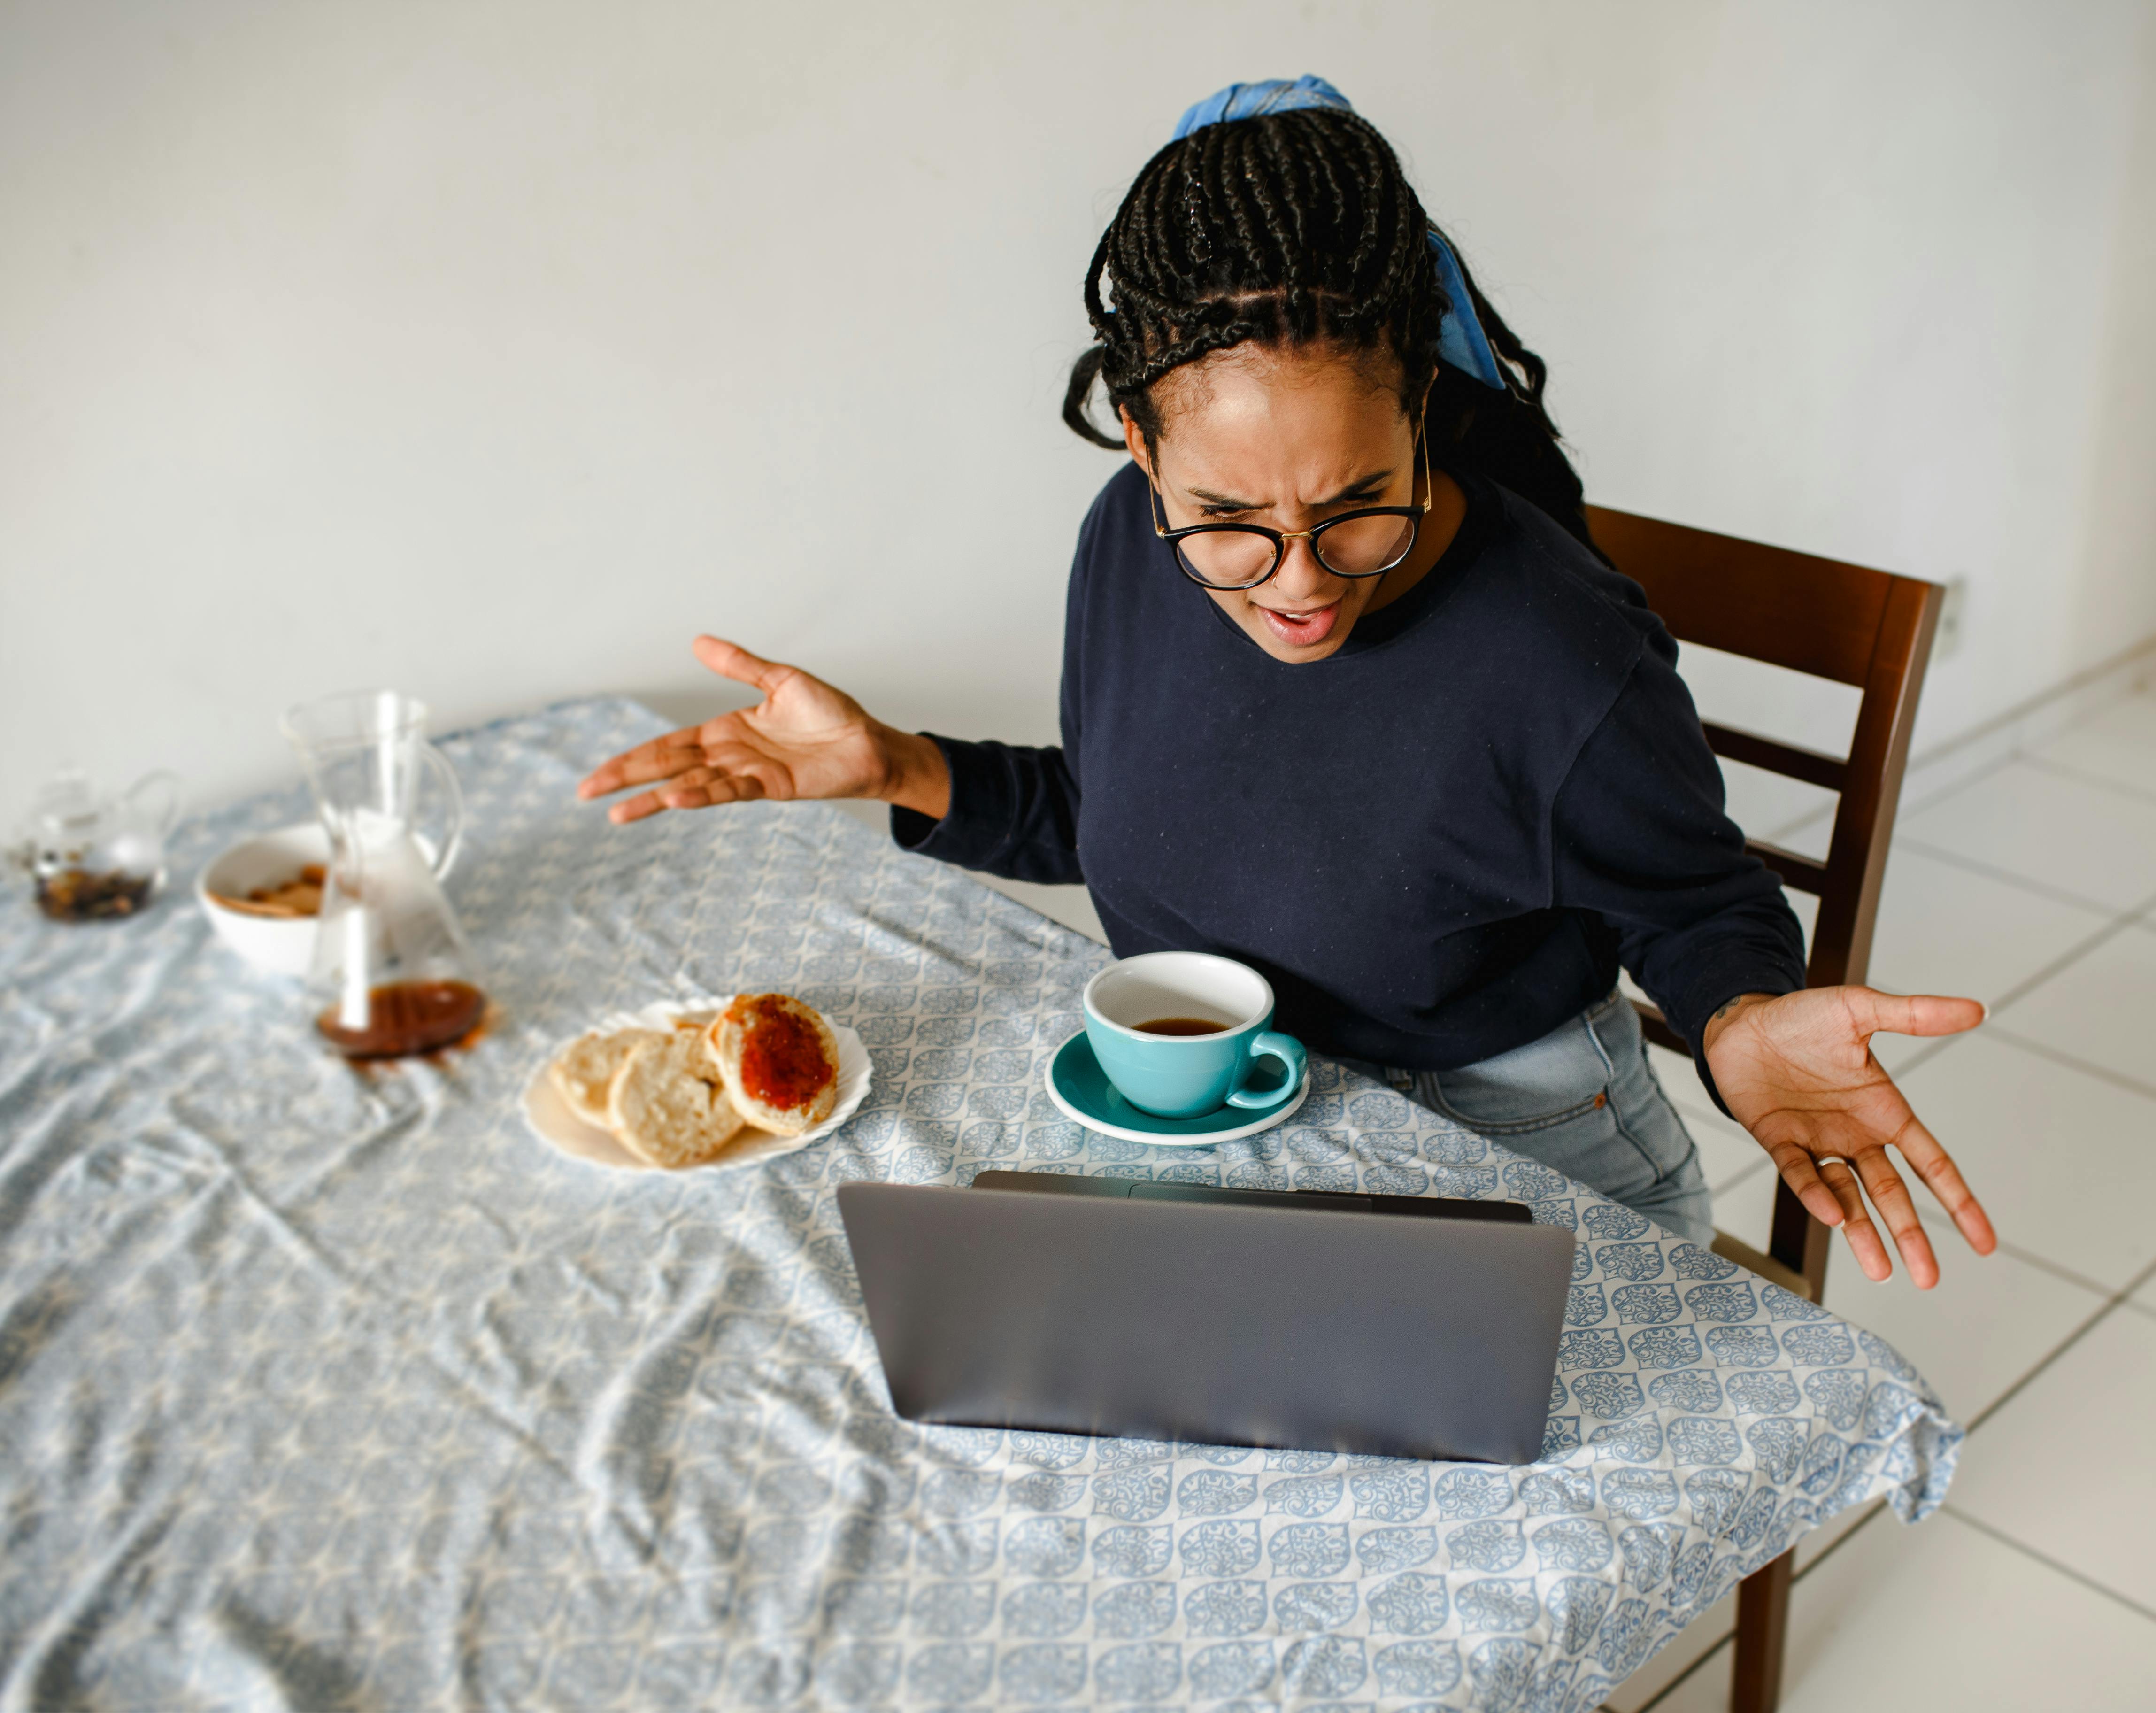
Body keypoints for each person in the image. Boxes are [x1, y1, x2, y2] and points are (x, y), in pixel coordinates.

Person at [580, 77, 1997, 1286]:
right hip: (1231, 1117)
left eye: (1357, 507)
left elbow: (1698, 903)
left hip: (1510, 1138)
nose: (1300, 582)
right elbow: (1132, 812)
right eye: (1232, 524)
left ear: (1423, 410)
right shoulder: (1125, 549)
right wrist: (895, 766)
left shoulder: (1559, 657)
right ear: (1140, 444)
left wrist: (1744, 1022)